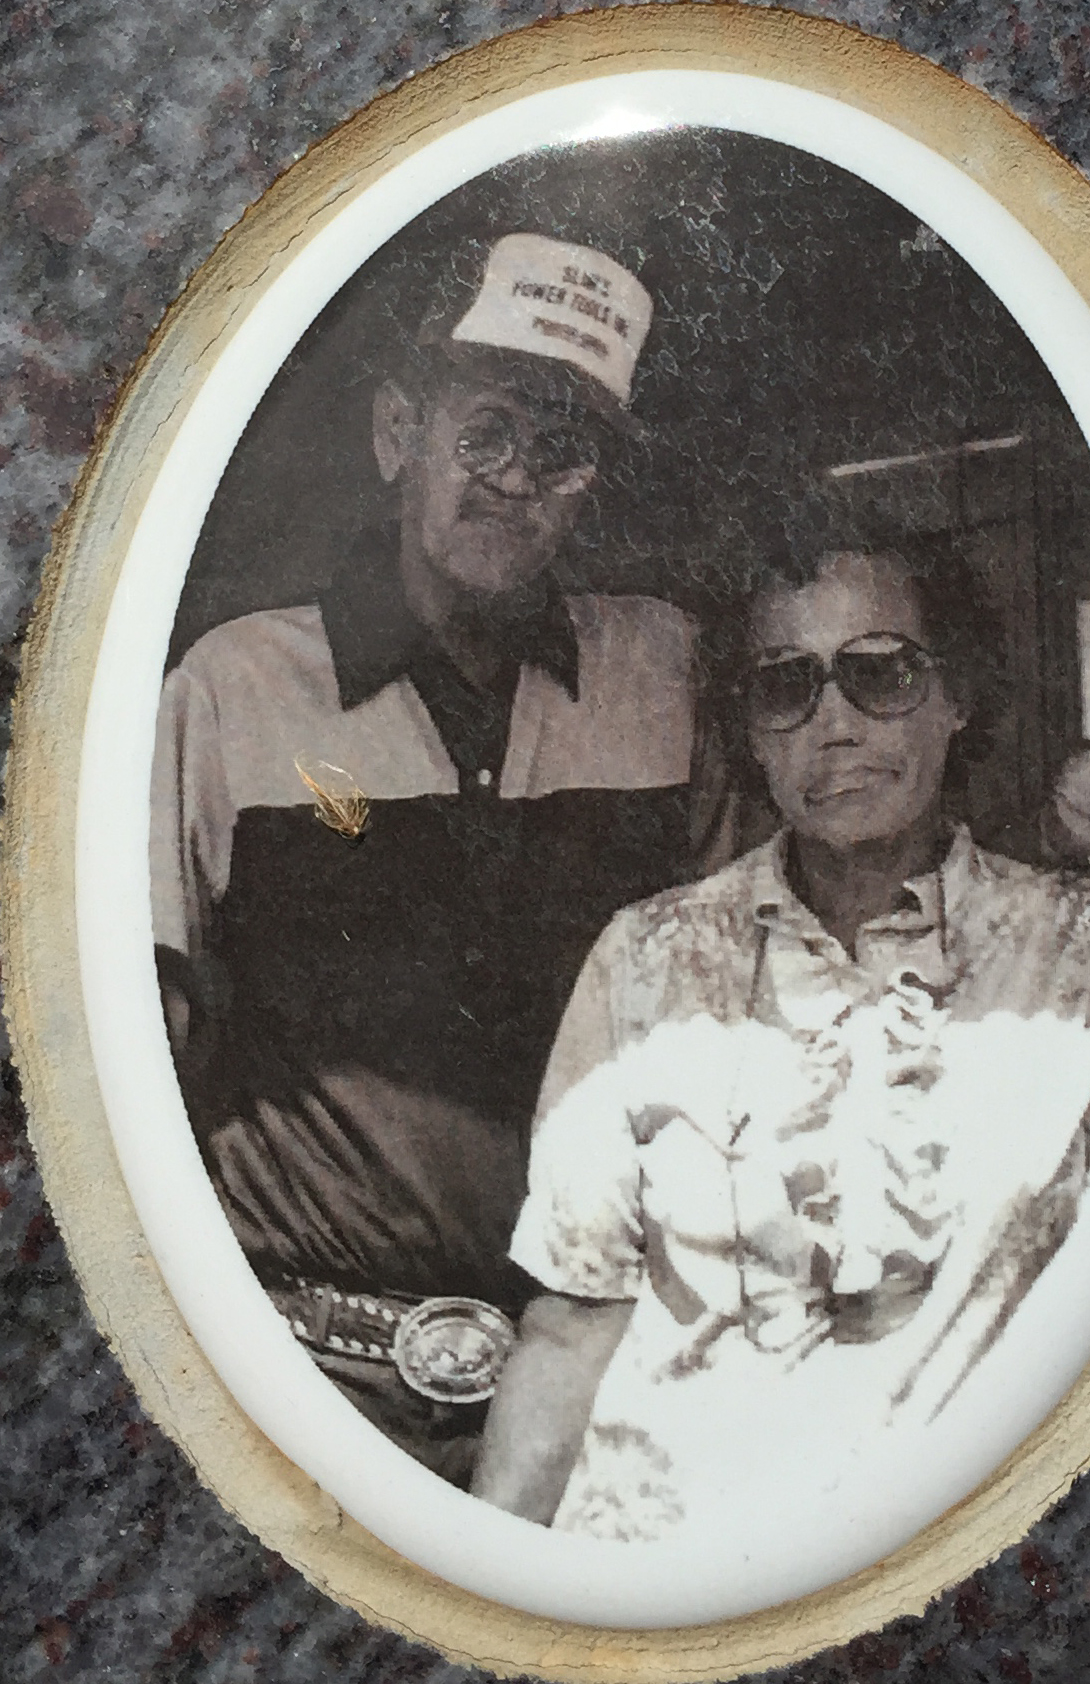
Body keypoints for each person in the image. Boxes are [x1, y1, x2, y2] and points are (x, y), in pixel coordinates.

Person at [472, 515, 1090, 1540]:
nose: (833, 723)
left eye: (881, 673)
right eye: (785, 686)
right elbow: (573, 1324)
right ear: (748, 731)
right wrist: (486, 1594)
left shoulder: (1087, 952)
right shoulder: (647, 955)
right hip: (655, 1566)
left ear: (959, 695)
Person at [150, 233, 700, 1484]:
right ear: (399, 435)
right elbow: (140, 1044)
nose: (515, 481)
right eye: (486, 431)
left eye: (559, 450)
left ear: (592, 484)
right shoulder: (234, 688)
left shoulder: (665, 672)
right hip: (311, 1385)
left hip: (599, 1392)